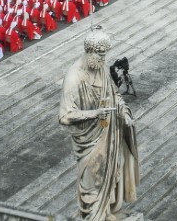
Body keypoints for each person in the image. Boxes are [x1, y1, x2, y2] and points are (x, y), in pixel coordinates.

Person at [59, 27, 140, 221]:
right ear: (89, 52)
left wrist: (123, 113)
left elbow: (115, 96)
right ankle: (93, 216)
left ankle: (106, 211)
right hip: (89, 139)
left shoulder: (101, 69)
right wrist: (94, 114)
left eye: (105, 56)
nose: (104, 61)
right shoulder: (74, 77)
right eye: (101, 56)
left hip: (108, 132)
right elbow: (65, 116)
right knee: (92, 180)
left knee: (110, 173)